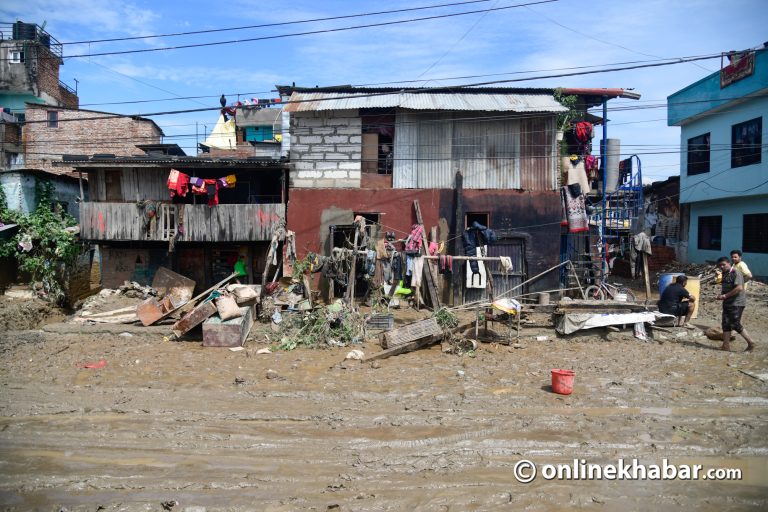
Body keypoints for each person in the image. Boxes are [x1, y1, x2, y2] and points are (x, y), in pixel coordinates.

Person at [716, 256, 755, 352]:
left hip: (736, 302)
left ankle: (751, 342)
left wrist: (725, 296)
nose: (722, 266)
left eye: (724, 264)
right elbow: (726, 287)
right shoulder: (724, 273)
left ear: (729, 263)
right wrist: (722, 296)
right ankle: (725, 345)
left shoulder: (736, 272)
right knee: (725, 323)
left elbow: (739, 288)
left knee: (734, 323)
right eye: (720, 265)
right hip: (727, 302)